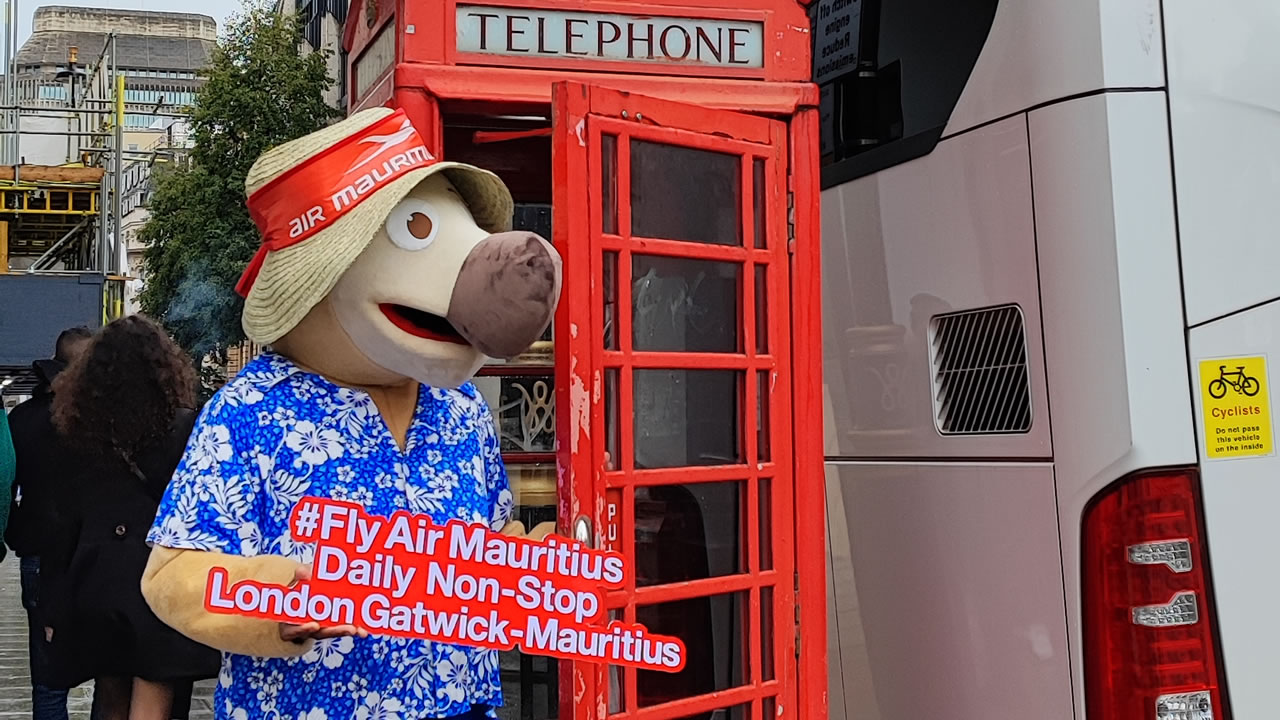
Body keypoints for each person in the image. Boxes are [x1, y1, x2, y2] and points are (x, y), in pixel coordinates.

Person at [41, 315, 220, 720]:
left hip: (97, 580)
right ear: (166, 371)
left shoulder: (76, 432)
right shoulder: (186, 429)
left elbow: (60, 525)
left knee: (110, 692)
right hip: (160, 579)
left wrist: (53, 607)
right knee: (158, 692)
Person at [7, 326, 92, 720]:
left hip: (39, 552)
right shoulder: (107, 422)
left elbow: (8, 480)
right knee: (111, 676)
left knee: (48, 681)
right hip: (97, 555)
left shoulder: (22, 419)